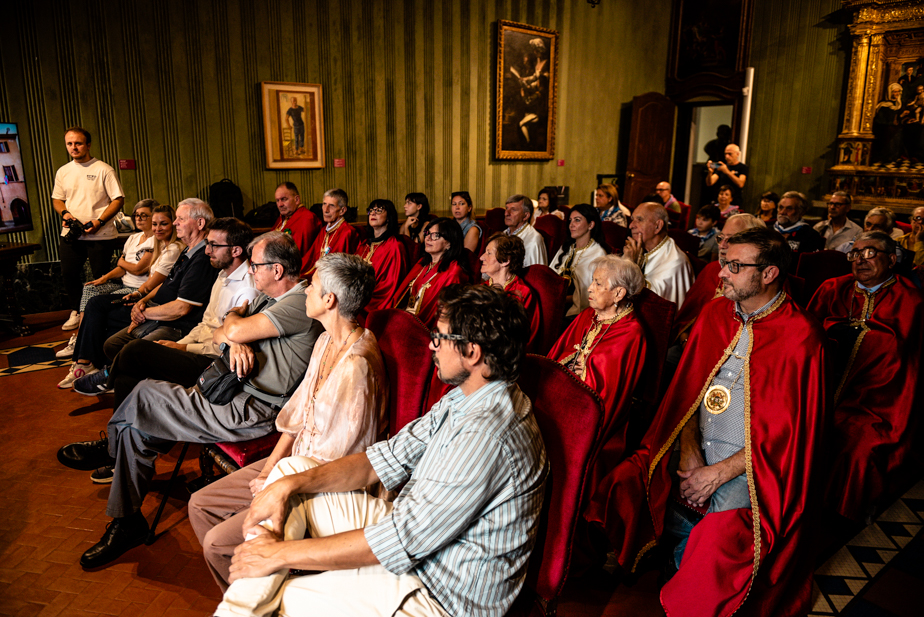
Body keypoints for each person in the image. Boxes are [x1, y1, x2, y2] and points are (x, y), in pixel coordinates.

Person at [212, 284, 547, 617]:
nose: (431, 345)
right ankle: (243, 602)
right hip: (416, 537)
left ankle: (240, 604)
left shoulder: (487, 435)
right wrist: (288, 486)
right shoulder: (467, 394)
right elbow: (381, 460)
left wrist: (279, 554)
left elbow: (401, 540)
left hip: (439, 592)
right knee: (289, 475)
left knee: (287, 597)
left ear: (472, 353)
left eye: (440, 337)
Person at [588, 227, 826, 617]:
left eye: (734, 266)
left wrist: (717, 474)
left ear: (768, 274)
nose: (722, 274)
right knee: (627, 481)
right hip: (695, 448)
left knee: (717, 538)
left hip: (752, 465)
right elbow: (686, 394)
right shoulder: (716, 313)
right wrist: (689, 450)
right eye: (723, 262)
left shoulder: (801, 336)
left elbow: (790, 438)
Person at [57, 232, 323, 569]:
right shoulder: (266, 299)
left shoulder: (297, 303)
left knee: (142, 395)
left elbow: (232, 327)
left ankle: (117, 470)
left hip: (250, 410)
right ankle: (127, 519)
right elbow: (223, 328)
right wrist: (235, 334)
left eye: (255, 266)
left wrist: (236, 334)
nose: (250, 271)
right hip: (228, 391)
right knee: (136, 425)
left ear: (278, 270)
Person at [189, 252, 386, 590]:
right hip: (293, 463)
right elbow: (297, 416)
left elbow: (338, 461)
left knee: (217, 544)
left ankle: (262, 598)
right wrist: (268, 469)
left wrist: (276, 481)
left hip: (321, 484)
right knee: (200, 504)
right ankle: (250, 591)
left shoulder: (357, 366)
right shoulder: (325, 340)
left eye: (315, 287)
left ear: (329, 300)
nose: (306, 290)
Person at [79, 218, 260, 482]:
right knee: (129, 376)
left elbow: (226, 343)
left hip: (213, 365)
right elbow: (205, 323)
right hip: (195, 346)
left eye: (213, 245)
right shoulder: (223, 275)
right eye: (207, 244)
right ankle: (117, 454)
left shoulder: (247, 287)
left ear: (236, 250)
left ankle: (108, 377)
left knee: (136, 351)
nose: (207, 250)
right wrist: (181, 343)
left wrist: (182, 345)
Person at [808, 231, 924, 522]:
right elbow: (804, 337)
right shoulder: (832, 288)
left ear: (892, 260)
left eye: (870, 252)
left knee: (858, 446)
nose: (860, 259)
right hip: (821, 390)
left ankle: (841, 516)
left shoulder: (912, 301)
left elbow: (911, 362)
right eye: (855, 253)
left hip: (881, 400)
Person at [547, 255, 647, 494]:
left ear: (619, 294)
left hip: (597, 418)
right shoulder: (587, 316)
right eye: (592, 281)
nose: (589, 288)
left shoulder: (631, 333)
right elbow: (557, 357)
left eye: (598, 284)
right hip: (563, 397)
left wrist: (584, 373)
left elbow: (609, 392)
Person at [56, 204, 184, 389]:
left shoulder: (173, 249)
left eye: (163, 224)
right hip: (140, 294)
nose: (157, 228)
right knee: (93, 298)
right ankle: (86, 361)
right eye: (155, 224)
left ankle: (85, 363)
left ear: (173, 224)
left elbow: (151, 283)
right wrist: (107, 278)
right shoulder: (157, 245)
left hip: (148, 299)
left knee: (97, 306)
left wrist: (139, 297)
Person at [56, 199, 159, 360]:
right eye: (136, 215)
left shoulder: (156, 240)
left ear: (154, 217)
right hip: (123, 283)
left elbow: (139, 269)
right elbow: (121, 268)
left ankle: (84, 344)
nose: (138, 218)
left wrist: (122, 262)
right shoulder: (133, 238)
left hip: (136, 289)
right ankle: (80, 338)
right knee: (90, 288)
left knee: (97, 302)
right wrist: (104, 278)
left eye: (143, 215)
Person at [52, 127, 125, 331]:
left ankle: (100, 314)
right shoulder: (63, 171)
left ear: (88, 145)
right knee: (69, 274)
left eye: (78, 143)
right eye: (69, 144)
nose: (73, 147)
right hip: (72, 234)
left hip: (100, 235)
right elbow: (57, 199)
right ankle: (76, 311)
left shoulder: (103, 169)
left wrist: (99, 222)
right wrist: (66, 214)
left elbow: (118, 199)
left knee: (100, 276)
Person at [671, 214, 765, 348]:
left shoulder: (760, 276)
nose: (722, 245)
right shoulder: (711, 269)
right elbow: (687, 317)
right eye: (721, 238)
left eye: (731, 239)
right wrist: (686, 342)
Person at [394, 217, 470, 328]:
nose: (428, 238)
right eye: (427, 233)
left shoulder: (454, 272)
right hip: (406, 319)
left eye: (435, 235)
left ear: (449, 243)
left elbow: (443, 314)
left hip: (425, 329)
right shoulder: (423, 263)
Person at [624, 202, 694, 306]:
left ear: (658, 226)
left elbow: (653, 305)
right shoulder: (638, 250)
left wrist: (630, 265)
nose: (631, 225)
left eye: (639, 220)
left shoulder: (675, 262)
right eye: (632, 219)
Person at [480, 232, 541, 352]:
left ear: (505, 260)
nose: (482, 257)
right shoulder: (482, 288)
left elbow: (523, 338)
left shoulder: (522, 293)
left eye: (489, 253)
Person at [550, 203, 610, 320]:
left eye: (577, 220)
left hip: (579, 314)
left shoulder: (598, 253)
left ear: (591, 225)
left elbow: (595, 294)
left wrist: (563, 299)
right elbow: (551, 275)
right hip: (556, 304)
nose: (571, 225)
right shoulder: (566, 247)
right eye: (570, 220)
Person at [355, 199, 408, 315]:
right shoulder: (365, 245)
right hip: (357, 297)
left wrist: (359, 300)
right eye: (371, 210)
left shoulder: (395, 246)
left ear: (388, 217)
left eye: (379, 210)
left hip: (374, 303)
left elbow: (390, 285)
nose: (373, 213)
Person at [301, 188, 360, 276]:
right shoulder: (324, 230)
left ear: (342, 211)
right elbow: (309, 258)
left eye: (331, 205)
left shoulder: (347, 232)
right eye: (324, 204)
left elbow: (342, 269)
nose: (326, 210)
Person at [271, 182, 319, 258]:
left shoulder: (306, 218)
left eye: (284, 199)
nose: (280, 204)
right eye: (277, 200)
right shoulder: (283, 217)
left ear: (297, 199)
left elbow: (298, 253)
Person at [504, 193, 548, 266]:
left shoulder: (534, 239)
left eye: (513, 209)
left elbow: (536, 273)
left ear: (526, 215)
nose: (506, 213)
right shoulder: (504, 234)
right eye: (507, 208)